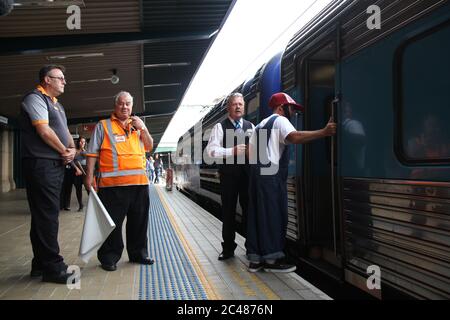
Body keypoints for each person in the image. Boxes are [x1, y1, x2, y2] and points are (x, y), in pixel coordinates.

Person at [246, 92, 336, 273]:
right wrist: (324, 132)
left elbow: (250, 152)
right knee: (274, 215)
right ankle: (272, 260)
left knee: (257, 216)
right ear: (281, 108)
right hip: (271, 176)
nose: (293, 112)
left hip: (257, 175)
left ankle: (256, 259)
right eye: (292, 108)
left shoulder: (261, 125)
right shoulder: (280, 120)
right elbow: (294, 137)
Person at [84, 91, 155, 271]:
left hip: (139, 183)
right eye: (121, 103)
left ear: (132, 107)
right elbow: (92, 153)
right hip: (112, 186)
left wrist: (144, 129)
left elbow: (149, 146)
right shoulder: (104, 126)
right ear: (115, 106)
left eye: (128, 104)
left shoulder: (138, 126)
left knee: (139, 222)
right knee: (112, 224)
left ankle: (138, 254)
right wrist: (89, 176)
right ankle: (109, 257)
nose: (124, 107)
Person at [19, 65, 76, 284]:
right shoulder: (35, 98)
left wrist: (72, 150)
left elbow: (66, 133)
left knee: (42, 216)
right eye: (60, 78)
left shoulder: (58, 106)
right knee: (48, 215)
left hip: (54, 165)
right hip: (41, 164)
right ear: (46, 80)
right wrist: (64, 151)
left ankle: (40, 264)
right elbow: (44, 130)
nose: (64, 81)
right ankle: (54, 267)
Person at [205, 92, 255, 260]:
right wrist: (231, 151)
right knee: (228, 212)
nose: (238, 106)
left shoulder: (251, 126)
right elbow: (210, 151)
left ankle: (251, 247)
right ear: (229, 108)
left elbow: (257, 152)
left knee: (249, 211)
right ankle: (228, 249)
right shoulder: (220, 127)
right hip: (228, 177)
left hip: (247, 176)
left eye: (241, 104)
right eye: (235, 104)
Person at [73, 136, 87, 211]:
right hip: (77, 171)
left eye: (84, 142)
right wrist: (80, 151)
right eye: (81, 142)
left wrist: (83, 150)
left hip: (85, 169)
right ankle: (80, 205)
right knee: (78, 189)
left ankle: (92, 204)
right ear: (78, 142)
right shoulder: (75, 150)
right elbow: (73, 159)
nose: (82, 143)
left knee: (88, 188)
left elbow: (87, 157)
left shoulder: (85, 150)